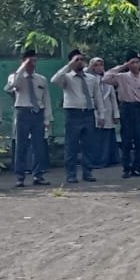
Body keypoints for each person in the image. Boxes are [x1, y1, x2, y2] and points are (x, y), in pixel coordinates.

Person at [51, 50, 100, 184]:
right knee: (71, 145)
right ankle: (71, 174)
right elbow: (54, 80)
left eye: (81, 59)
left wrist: (100, 113)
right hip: (73, 114)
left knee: (89, 145)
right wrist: (69, 65)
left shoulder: (91, 78)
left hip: (88, 113)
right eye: (76, 60)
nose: (80, 62)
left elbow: (97, 97)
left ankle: (88, 172)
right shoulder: (67, 77)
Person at [5, 49, 52, 187]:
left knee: (39, 146)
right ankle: (20, 177)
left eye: (35, 61)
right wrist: (22, 67)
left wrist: (47, 119)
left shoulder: (41, 79)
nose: (33, 64)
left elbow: (46, 99)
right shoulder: (15, 76)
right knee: (21, 145)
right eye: (30, 61)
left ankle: (38, 175)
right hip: (22, 111)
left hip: (38, 113)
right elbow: (13, 85)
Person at [103, 53, 140, 178]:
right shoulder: (122, 77)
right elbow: (105, 78)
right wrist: (123, 66)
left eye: (137, 62)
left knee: (139, 140)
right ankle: (126, 168)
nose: (135, 65)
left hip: (139, 109)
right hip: (126, 108)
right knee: (126, 140)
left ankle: (137, 168)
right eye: (132, 62)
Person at [87, 57, 121, 169]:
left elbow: (113, 98)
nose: (99, 67)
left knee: (107, 137)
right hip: (95, 111)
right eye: (96, 65)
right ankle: (97, 161)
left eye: (101, 65)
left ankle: (109, 159)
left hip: (108, 111)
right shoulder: (89, 79)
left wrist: (116, 114)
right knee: (96, 138)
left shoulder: (107, 79)